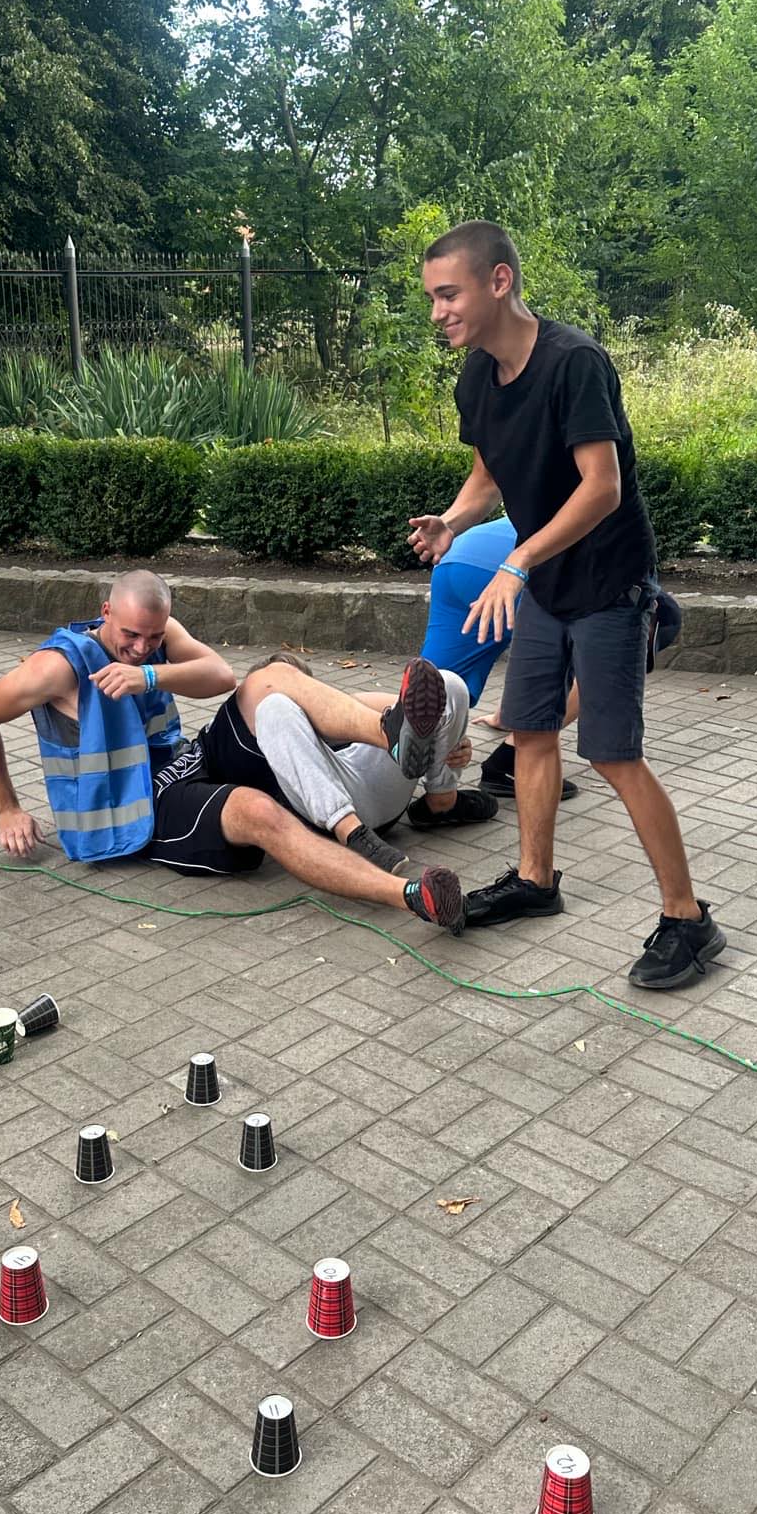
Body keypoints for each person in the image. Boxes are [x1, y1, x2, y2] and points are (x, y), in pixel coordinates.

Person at [409, 219, 724, 990]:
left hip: (609, 586)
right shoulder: (476, 379)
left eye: (448, 294)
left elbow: (603, 486)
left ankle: (689, 918)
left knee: (613, 754)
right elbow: (490, 475)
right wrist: (452, 521)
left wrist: (515, 562)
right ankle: (534, 880)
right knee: (532, 733)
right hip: (546, 584)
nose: (437, 311)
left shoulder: (574, 362)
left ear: (498, 282)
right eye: (431, 298)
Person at [0, 571, 468, 932]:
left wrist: (150, 674)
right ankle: (409, 896)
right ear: (105, 612)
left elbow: (221, 676)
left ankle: (397, 736)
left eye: (153, 636)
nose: (142, 646)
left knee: (269, 680)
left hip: (187, 760)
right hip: (133, 809)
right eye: (130, 636)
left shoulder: (157, 640)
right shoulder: (56, 667)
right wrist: (7, 809)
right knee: (256, 809)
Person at [419, 515, 683, 800]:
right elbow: (577, 681)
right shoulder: (620, 594)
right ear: (651, 617)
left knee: (432, 689)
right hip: (516, 574)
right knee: (574, 672)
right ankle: (509, 763)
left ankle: (383, 760)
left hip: (455, 560)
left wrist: (504, 716)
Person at [204, 651, 495, 870]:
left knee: (449, 683)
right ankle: (352, 834)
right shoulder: (251, 725)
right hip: (329, 814)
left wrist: (451, 744)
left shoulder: (341, 706)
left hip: (377, 791)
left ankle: (442, 801)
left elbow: (421, 716)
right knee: (273, 707)